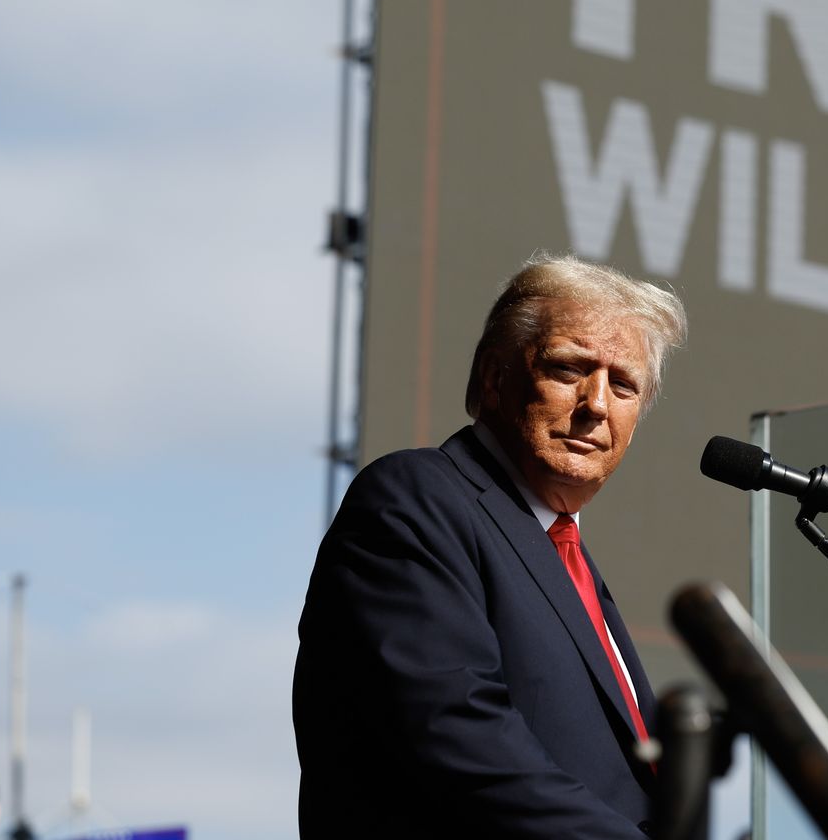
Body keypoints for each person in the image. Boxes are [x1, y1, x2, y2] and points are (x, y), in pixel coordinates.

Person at [293, 253, 688, 837]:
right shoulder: (415, 499)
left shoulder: (569, 561)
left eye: (623, 384)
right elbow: (456, 735)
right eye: (569, 368)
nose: (596, 405)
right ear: (494, 378)